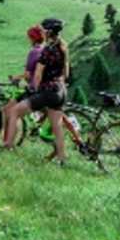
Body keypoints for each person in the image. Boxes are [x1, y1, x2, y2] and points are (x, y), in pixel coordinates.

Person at [32, 18, 72, 163]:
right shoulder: (63, 46)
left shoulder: (48, 49)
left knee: (15, 110)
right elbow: (66, 73)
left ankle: (7, 146)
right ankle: (62, 160)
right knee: (58, 128)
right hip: (61, 88)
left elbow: (38, 74)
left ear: (49, 32)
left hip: (49, 90)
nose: (41, 32)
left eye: (43, 30)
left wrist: (35, 91)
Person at [0, 25, 46, 149]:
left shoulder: (34, 52)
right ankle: (11, 140)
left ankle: (8, 142)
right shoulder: (45, 49)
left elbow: (27, 75)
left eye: (29, 37)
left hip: (33, 89)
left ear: (32, 38)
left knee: (7, 110)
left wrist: (15, 77)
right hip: (45, 89)